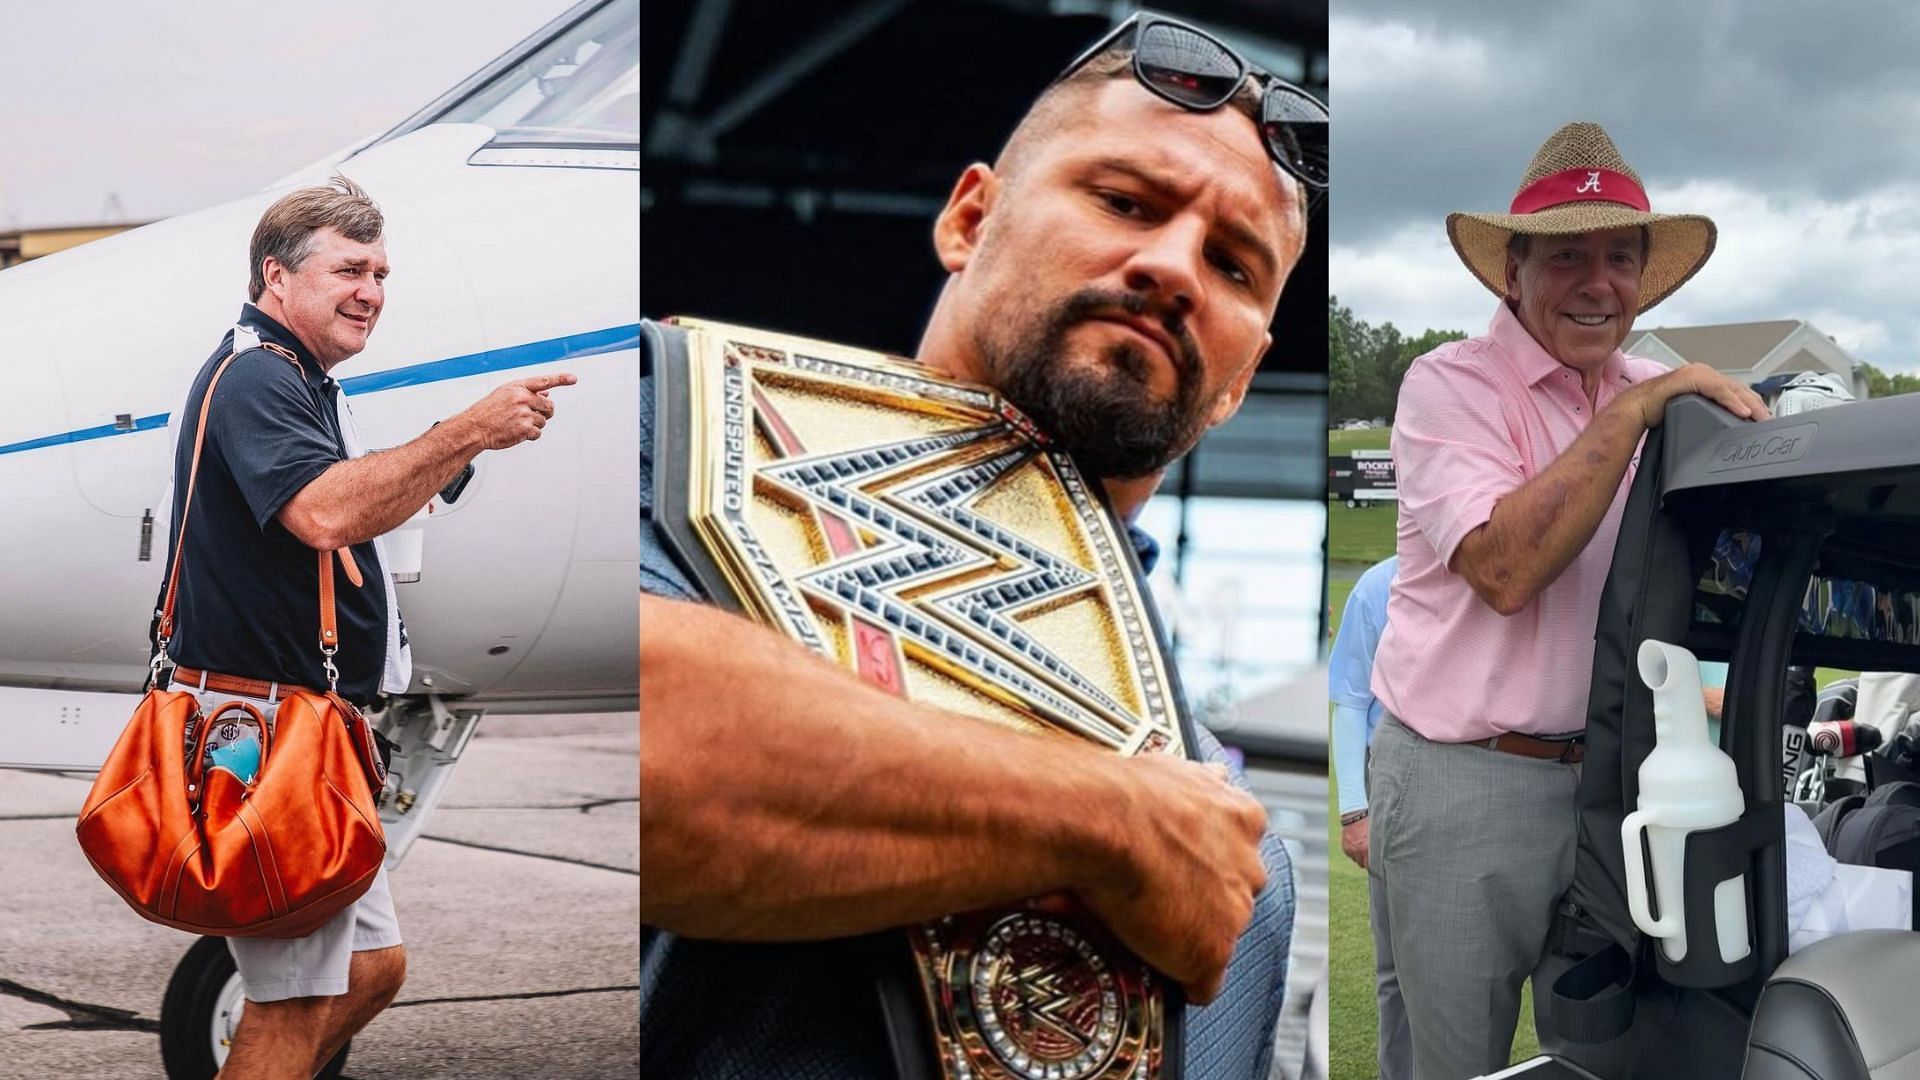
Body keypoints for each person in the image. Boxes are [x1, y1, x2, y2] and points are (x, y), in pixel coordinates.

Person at [639, 13, 1323, 1078]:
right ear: (971, 218)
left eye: (1235, 264)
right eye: (1124, 201)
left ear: (1242, 380)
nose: (1174, 265)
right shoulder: (675, 422)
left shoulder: (1232, 843)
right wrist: (1111, 820)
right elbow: (645, 746)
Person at [1366, 122, 1771, 1080]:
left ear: (1644, 278)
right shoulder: (1447, 386)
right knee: (1449, 1061)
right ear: (1513, 270)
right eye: (1568, 257)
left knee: (1600, 1049)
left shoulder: (1663, 396)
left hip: (1616, 780)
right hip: (1464, 775)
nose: (1598, 282)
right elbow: (1505, 569)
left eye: (1619, 257)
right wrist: (1636, 413)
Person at [156, 175, 574, 1079]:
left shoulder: (297, 378)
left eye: (381, 273)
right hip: (265, 743)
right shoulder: (258, 376)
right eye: (350, 269)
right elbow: (324, 513)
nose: (372, 292)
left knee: (370, 971)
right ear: (277, 277)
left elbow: (356, 500)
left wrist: (458, 445)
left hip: (310, 736)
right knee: (293, 1003)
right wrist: (465, 429)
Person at [1328, 554, 1407, 1079]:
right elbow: (1351, 702)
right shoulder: (1378, 586)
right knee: (1397, 965)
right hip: (1394, 782)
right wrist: (1355, 809)